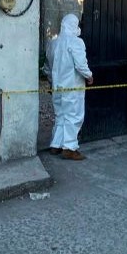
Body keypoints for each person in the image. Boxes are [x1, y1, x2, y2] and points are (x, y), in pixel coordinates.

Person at [45, 13, 94, 160]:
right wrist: (89, 75)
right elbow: (80, 64)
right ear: (74, 25)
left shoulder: (53, 43)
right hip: (72, 87)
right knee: (74, 117)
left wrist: (51, 81)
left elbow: (48, 67)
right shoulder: (76, 42)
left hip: (57, 87)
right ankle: (70, 148)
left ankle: (56, 145)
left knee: (60, 116)